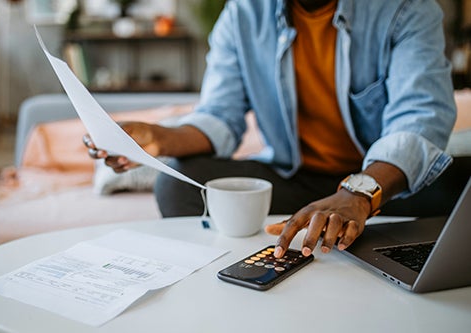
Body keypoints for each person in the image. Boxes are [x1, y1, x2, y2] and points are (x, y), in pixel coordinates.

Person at [84, 0, 467, 260]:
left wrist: (359, 193)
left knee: (463, 187)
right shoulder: (242, 14)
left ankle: (351, 229)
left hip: (384, 185)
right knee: (179, 182)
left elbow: (420, 117)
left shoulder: (406, 8)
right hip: (296, 180)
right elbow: (220, 115)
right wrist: (160, 137)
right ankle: (307, 242)